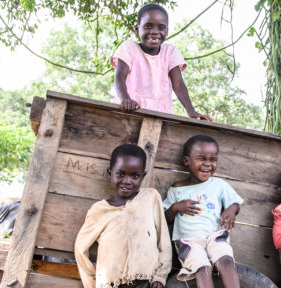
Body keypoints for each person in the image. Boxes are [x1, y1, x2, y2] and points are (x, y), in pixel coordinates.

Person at [74, 144, 171, 288]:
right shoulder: (99, 210)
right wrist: (92, 284)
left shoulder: (150, 197)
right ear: (110, 173)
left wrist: (160, 276)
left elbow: (164, 241)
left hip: (146, 281)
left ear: (142, 176)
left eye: (135, 176)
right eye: (120, 174)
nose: (127, 181)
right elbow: (80, 249)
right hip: (113, 283)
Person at [163, 135, 243, 287]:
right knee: (203, 268)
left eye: (213, 160)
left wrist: (232, 210)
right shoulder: (177, 188)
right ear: (187, 161)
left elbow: (235, 203)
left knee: (226, 261)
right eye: (202, 158)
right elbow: (165, 218)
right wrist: (176, 207)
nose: (208, 164)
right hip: (189, 241)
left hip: (215, 236)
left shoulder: (219, 185)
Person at [111, 4, 211, 121]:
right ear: (138, 29)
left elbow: (178, 84)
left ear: (167, 31)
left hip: (160, 115)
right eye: (148, 26)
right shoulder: (129, 48)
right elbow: (120, 77)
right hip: (130, 111)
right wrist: (125, 98)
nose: (154, 31)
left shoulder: (170, 52)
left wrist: (191, 111)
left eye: (161, 27)